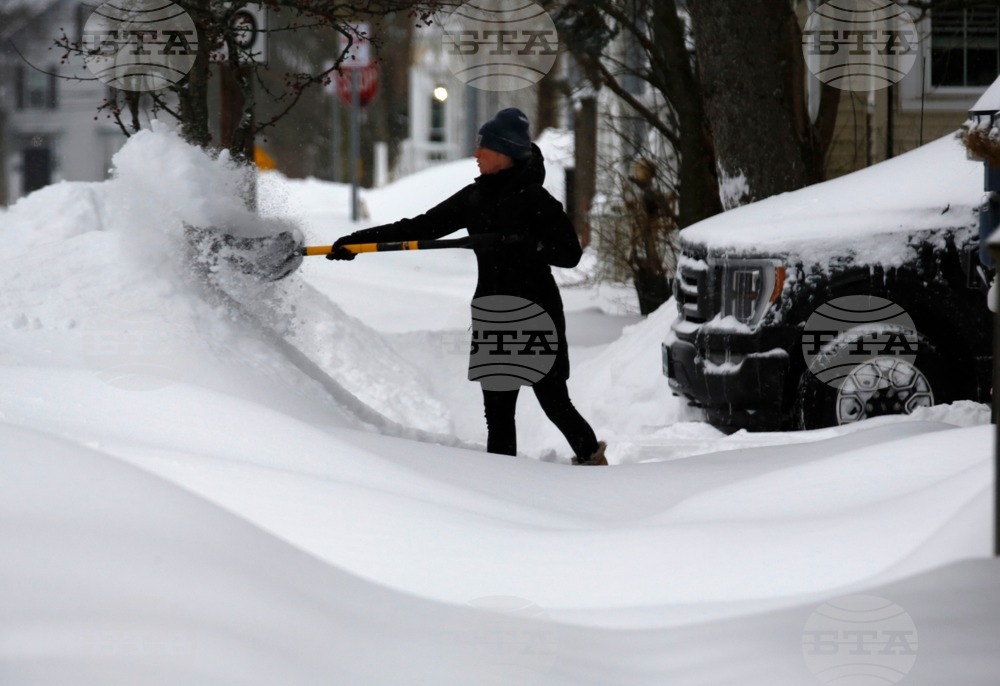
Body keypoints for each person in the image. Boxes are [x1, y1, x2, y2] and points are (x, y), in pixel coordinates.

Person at [328, 107, 607, 466]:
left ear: (505, 153)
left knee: (554, 401)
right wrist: (358, 241)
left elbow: (570, 254)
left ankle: (595, 467)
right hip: (494, 310)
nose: (475, 155)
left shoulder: (537, 201)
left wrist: (527, 243)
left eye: (483, 148)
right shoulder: (475, 198)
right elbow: (420, 227)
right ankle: (499, 485)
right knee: (499, 414)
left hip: (537, 312)